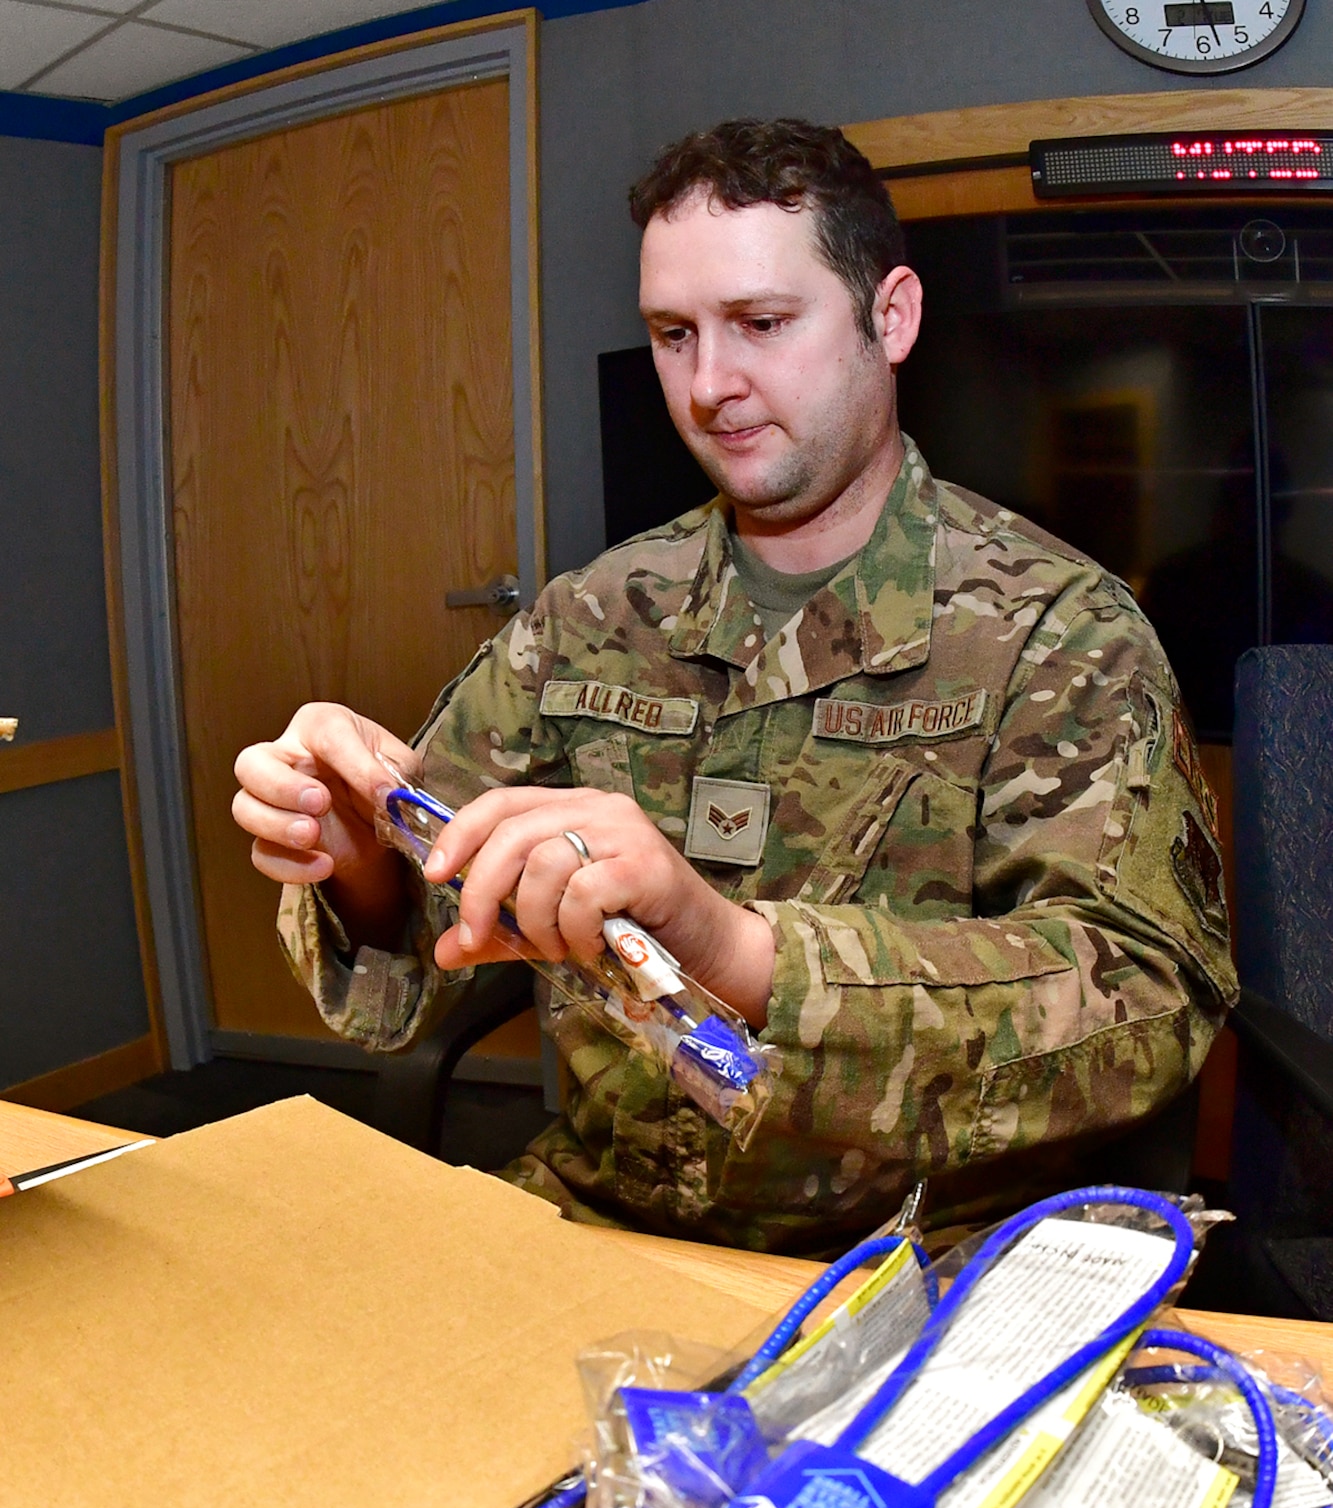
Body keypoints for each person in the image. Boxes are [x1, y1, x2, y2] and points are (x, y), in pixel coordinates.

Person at [232, 118, 1237, 1256]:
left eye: (762, 323)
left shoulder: (1059, 632)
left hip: (931, 1254)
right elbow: (419, 946)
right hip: (613, 1213)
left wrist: (733, 947)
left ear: (889, 316)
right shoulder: (589, 620)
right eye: (673, 335)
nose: (711, 385)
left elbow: (1147, 1005)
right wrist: (355, 848)